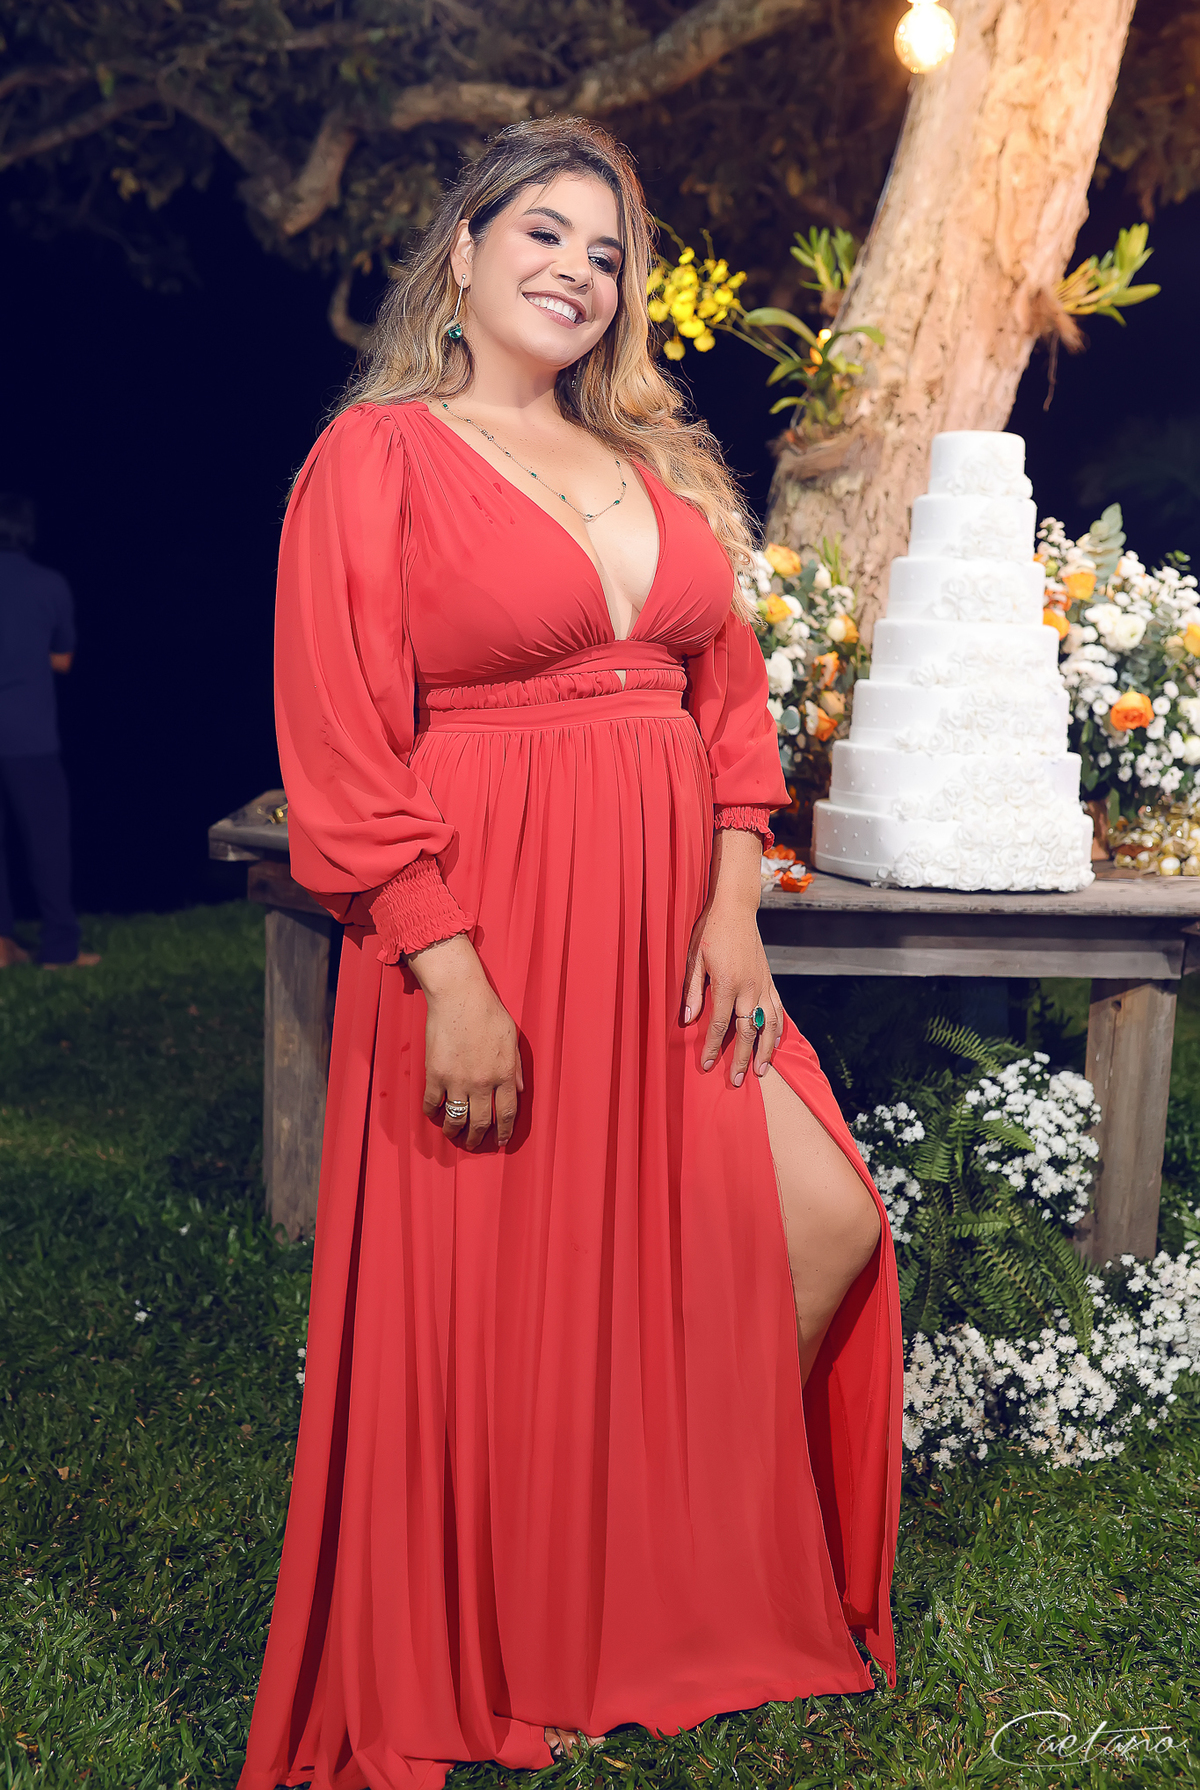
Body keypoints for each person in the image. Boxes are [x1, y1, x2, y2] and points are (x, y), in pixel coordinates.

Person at [239, 118, 900, 1790]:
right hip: (494, 918)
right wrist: (446, 972)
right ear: (463, 252)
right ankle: (548, 1615)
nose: (577, 270)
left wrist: (734, 903)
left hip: (672, 925)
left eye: (606, 253)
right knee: (506, 1301)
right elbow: (341, 744)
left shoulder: (655, 465)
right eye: (543, 232)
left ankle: (669, 1547)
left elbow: (729, 708)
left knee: (824, 1215)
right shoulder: (377, 456)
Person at [0, 493, 97, 969]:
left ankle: (1, 947)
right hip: (30, 735)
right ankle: (59, 949)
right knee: (47, 843)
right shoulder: (48, 584)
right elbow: (63, 660)